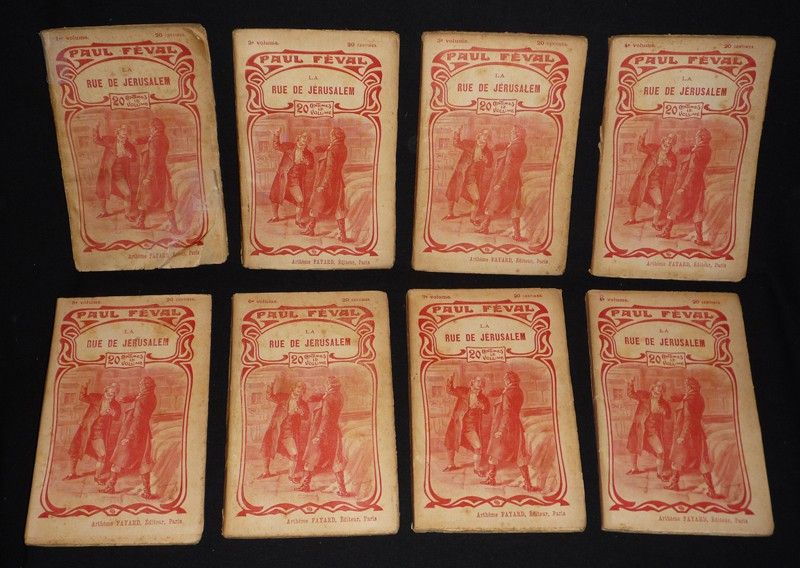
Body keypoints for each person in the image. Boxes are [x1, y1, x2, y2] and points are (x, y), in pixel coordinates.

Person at [664, 377, 721, 498]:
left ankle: (674, 484)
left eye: (686, 385)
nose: (684, 387)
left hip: (685, 434)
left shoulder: (688, 400)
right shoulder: (699, 397)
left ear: (690, 387)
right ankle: (711, 490)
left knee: (677, 458)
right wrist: (672, 398)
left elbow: (688, 419)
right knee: (702, 461)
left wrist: (682, 436)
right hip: (697, 432)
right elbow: (682, 397)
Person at [100, 376, 157, 498]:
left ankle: (110, 486)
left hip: (132, 432)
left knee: (119, 458)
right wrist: (124, 399)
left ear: (145, 386)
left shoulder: (141, 401)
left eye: (141, 384)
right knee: (143, 461)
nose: (139, 385)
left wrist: (128, 437)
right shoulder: (150, 396)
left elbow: (137, 420)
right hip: (143, 433)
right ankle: (147, 492)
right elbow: (137, 396)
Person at [658, 128, 713, 245]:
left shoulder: (698, 151)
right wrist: (684, 149)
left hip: (688, 183)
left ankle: (666, 232)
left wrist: (684, 187)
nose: (695, 138)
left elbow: (692, 170)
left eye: (697, 136)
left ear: (701, 138)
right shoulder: (705, 149)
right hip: (698, 184)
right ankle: (699, 239)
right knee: (697, 210)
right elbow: (688, 149)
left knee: (675, 206)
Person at [297, 376, 350, 496]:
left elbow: (325, 418)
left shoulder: (327, 399)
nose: (324, 386)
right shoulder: (338, 396)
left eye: (325, 384)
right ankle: (342, 490)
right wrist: (318, 396)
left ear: (329, 385)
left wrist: (318, 436)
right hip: (333, 431)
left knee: (311, 457)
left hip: (321, 432)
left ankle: (305, 485)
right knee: (336, 460)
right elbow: (319, 397)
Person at [482, 370, 534, 491]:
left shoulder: (507, 394)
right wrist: (490, 393)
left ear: (508, 380)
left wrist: (500, 430)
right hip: (516, 426)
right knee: (520, 455)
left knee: (494, 452)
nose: (504, 381)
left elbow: (506, 413)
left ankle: (491, 479)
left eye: (505, 379)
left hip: (504, 427)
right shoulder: (518, 391)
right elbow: (500, 391)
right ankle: (527, 483)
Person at [478, 125, 528, 241]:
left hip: (504, 180)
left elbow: (508, 166)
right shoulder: (521, 145)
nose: (510, 133)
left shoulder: (513, 147)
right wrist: (494, 146)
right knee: (514, 205)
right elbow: (505, 145)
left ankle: (485, 227)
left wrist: (500, 183)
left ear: (516, 134)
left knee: (493, 201)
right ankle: (517, 234)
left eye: (512, 131)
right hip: (514, 180)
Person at [64, 382, 121, 484]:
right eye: (109, 392)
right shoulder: (96, 397)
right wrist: (84, 386)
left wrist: (113, 413)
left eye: (113, 393)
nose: (111, 395)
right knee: (74, 450)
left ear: (115, 394)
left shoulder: (115, 405)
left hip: (98, 432)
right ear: (105, 391)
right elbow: (82, 397)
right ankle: (72, 473)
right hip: (86, 429)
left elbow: (117, 417)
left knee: (102, 455)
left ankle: (97, 477)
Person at [302, 127, 349, 241]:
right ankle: (343, 235)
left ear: (334, 136)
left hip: (326, 181)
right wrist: (318, 148)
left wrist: (323, 185)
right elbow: (329, 148)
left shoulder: (332, 150)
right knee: (339, 207)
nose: (329, 136)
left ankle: (310, 229)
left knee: (315, 204)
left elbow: (329, 169)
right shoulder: (342, 147)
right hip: (337, 182)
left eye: (331, 135)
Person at [133, 118, 179, 233]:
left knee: (144, 197)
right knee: (166, 199)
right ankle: (174, 227)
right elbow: (148, 138)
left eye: (150, 127)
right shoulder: (163, 138)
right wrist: (138, 140)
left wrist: (148, 177)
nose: (150, 129)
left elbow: (153, 159)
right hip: (161, 172)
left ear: (154, 128)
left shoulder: (154, 141)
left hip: (151, 173)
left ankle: (141, 222)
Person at [258, 380, 309, 482]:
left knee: (294, 454)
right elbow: (270, 397)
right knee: (267, 449)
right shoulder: (283, 397)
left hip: (289, 432)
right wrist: (270, 386)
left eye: (302, 389)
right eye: (298, 387)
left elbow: (306, 416)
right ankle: (266, 472)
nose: (300, 390)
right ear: (293, 388)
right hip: (275, 429)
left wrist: (302, 413)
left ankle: (291, 475)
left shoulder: (303, 404)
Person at [624, 132, 677, 227]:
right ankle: (632, 219)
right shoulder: (654, 148)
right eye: (668, 139)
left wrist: (667, 162)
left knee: (659, 203)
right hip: (643, 178)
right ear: (664, 140)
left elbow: (673, 168)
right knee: (633, 199)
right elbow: (640, 148)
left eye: (671, 141)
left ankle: (655, 223)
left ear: (673, 144)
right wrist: (643, 136)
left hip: (655, 182)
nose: (668, 142)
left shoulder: (672, 156)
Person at [442, 126, 493, 225]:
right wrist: (457, 132)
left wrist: (486, 161)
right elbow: (456, 144)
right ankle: (450, 214)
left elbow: (490, 164)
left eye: (487, 136)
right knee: (451, 193)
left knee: (476, 198)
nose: (485, 137)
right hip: (460, 174)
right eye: (484, 135)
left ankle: (473, 219)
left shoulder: (488, 152)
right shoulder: (469, 144)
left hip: (472, 178)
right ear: (479, 135)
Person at [442, 375, 490, 478]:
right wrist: (450, 381)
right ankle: (451, 465)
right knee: (450, 443)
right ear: (472, 382)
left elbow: (487, 410)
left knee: (478, 447)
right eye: (478, 381)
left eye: (482, 382)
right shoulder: (463, 391)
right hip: (457, 423)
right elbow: (450, 391)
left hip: (470, 426)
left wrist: (482, 406)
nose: (480, 383)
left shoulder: (483, 398)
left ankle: (476, 469)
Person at [625, 378, 671, 481]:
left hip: (652, 431)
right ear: (653, 387)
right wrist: (630, 383)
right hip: (639, 427)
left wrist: (664, 412)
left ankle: (659, 474)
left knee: (660, 451)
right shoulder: (644, 395)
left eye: (662, 387)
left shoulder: (664, 403)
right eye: (658, 386)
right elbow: (631, 394)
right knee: (633, 447)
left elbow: (668, 415)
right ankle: (634, 468)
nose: (659, 388)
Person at [267, 129, 315, 226]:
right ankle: (275, 217)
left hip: (295, 180)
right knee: (274, 197)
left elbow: (311, 166)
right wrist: (276, 135)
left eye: (308, 138)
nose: (305, 140)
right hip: (282, 177)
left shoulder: (308, 154)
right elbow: (277, 146)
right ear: (299, 137)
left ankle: (298, 220)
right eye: (304, 137)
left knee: (300, 200)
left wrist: (307, 162)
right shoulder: (289, 146)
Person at [93, 123, 139, 219]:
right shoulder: (110, 140)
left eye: (127, 133)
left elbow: (135, 158)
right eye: (123, 133)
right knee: (102, 192)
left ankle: (127, 214)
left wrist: (129, 155)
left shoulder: (129, 146)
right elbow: (97, 140)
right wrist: (96, 128)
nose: (125, 135)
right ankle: (103, 212)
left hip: (119, 175)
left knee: (127, 193)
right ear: (118, 133)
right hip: (106, 172)